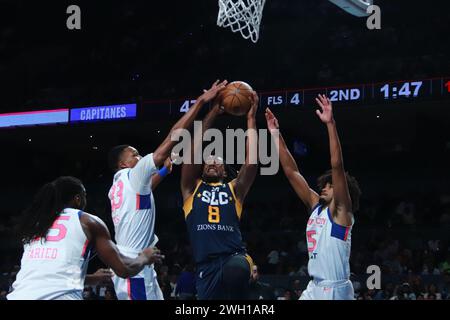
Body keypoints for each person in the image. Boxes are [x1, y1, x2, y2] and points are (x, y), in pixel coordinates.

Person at [107, 80, 228, 300]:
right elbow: (174, 135)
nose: (139, 156)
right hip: (133, 267)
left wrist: (163, 173)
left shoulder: (119, 185)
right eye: (133, 154)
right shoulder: (133, 175)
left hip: (139, 264)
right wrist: (200, 102)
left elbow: (143, 193)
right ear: (123, 164)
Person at [265, 94, 361, 300]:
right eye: (324, 185)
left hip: (335, 290)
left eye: (331, 185)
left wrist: (330, 124)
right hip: (314, 287)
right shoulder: (316, 205)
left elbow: (337, 165)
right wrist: (275, 134)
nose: (325, 188)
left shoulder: (342, 212)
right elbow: (292, 172)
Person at [7, 176, 163, 300]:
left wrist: (91, 279)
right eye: (84, 195)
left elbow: (45, 276)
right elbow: (123, 269)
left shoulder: (36, 225)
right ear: (77, 199)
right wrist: (144, 257)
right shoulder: (87, 221)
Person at [180, 91, 259, 299]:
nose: (213, 162)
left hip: (233, 257)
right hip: (206, 266)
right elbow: (193, 152)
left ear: (224, 171)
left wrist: (250, 119)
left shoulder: (234, 189)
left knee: (236, 271)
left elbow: (251, 163)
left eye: (218, 161)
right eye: (209, 160)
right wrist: (213, 111)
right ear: (202, 167)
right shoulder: (191, 188)